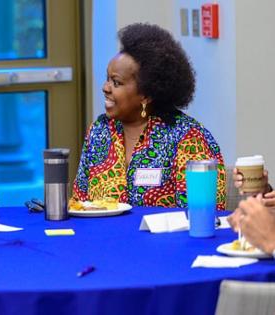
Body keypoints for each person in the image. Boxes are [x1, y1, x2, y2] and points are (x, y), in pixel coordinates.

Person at [70, 23, 226, 209]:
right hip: (103, 237)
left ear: (146, 94)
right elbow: (79, 203)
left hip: (166, 238)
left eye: (116, 82)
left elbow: (202, 214)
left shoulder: (188, 137)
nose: (105, 87)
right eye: (107, 79)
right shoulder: (99, 131)